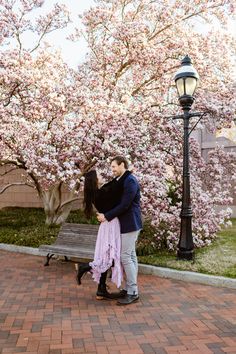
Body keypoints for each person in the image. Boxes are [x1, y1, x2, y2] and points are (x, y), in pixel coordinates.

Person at [97, 156, 142, 306]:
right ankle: (130, 289)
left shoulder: (130, 181)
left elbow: (125, 205)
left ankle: (133, 292)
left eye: (113, 167)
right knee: (130, 256)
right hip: (126, 224)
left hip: (130, 224)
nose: (112, 170)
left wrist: (106, 216)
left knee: (125, 257)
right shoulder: (124, 179)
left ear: (122, 164)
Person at [76, 169, 127, 300]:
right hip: (110, 225)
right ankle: (84, 267)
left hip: (107, 225)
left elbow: (111, 185)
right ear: (95, 179)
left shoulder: (96, 193)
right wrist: (127, 173)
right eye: (99, 174)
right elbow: (114, 187)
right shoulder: (100, 194)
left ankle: (101, 289)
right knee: (108, 257)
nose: (101, 175)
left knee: (107, 256)